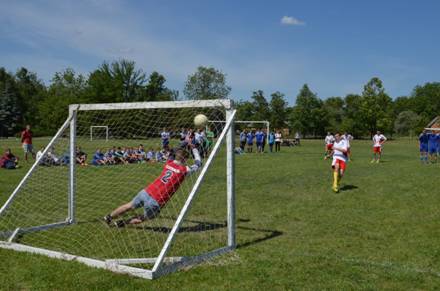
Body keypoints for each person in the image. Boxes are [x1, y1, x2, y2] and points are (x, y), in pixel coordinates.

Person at [103, 147, 202, 227]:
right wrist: (194, 149)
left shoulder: (168, 163)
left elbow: (172, 152)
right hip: (157, 200)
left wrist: (184, 143)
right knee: (145, 217)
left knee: (129, 206)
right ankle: (123, 223)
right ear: (185, 159)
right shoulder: (184, 170)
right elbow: (198, 164)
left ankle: (109, 217)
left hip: (147, 191)